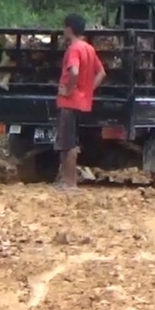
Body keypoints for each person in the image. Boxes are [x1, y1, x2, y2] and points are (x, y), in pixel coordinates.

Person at [54, 13, 106, 191]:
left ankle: (69, 183)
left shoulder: (74, 49)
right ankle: (68, 181)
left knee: (67, 144)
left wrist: (69, 90)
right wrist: (88, 90)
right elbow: (101, 73)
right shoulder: (89, 49)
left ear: (69, 29)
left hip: (69, 103)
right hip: (82, 102)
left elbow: (74, 71)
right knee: (71, 142)